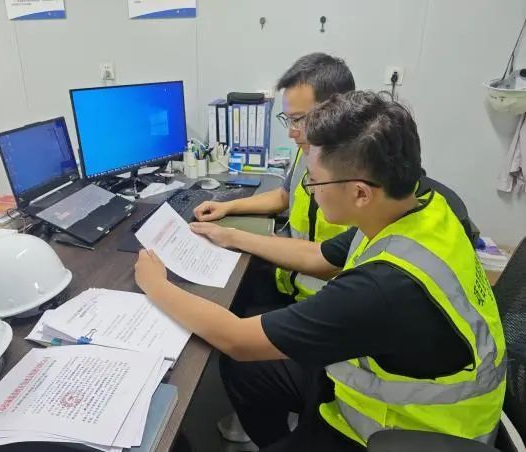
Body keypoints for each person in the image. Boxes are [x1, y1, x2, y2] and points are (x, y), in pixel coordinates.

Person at [135, 91, 506, 451]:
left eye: (315, 180)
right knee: (247, 371)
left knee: (239, 353)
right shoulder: (418, 207)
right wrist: (230, 235)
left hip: (398, 432)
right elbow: (319, 255)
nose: (309, 189)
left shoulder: (383, 288)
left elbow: (237, 339)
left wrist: (156, 286)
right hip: (385, 382)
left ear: (360, 193)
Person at [194, 53, 356, 307]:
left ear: (336, 112)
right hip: (290, 283)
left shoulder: (359, 174)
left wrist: (231, 236)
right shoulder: (309, 149)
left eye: (299, 119)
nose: (291, 132)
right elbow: (284, 195)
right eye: (288, 119)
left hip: (325, 302)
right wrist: (227, 207)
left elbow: (325, 261)